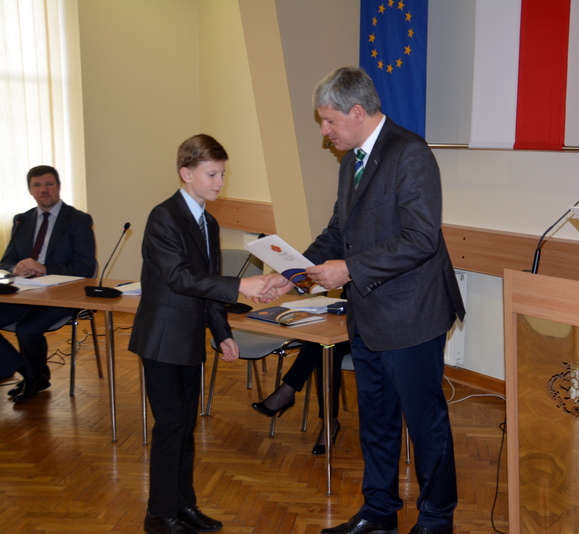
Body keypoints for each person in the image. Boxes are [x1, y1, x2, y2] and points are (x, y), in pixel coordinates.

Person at [261, 67, 465, 534]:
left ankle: (437, 517)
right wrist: (293, 272)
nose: (323, 131)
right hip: (368, 314)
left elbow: (421, 239)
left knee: (424, 421)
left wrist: (349, 270)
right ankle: (379, 511)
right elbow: (338, 231)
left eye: (329, 120)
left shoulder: (410, 153)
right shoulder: (351, 161)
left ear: (357, 112)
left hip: (412, 314)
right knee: (376, 419)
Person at [129, 134, 272, 534]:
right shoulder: (164, 216)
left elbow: (207, 284)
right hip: (162, 338)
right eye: (212, 174)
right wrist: (241, 286)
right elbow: (180, 278)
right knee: (170, 426)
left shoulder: (208, 221)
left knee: (185, 425)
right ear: (186, 173)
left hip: (189, 338)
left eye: (223, 174)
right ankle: (159, 514)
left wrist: (221, 331)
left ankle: (184, 505)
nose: (220, 182)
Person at [0, 165, 96, 402]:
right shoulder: (22, 220)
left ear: (59, 187)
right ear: (30, 190)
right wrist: (17, 267)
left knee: (27, 329)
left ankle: (34, 378)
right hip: (24, 292)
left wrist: (44, 268)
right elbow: (6, 261)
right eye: (37, 185)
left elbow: (85, 268)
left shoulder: (78, 220)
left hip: (63, 294)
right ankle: (30, 372)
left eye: (49, 184)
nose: (44, 190)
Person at [252, 340, 351, 455]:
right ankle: (330, 422)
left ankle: (287, 392)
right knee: (324, 347)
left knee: (326, 348)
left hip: (360, 339)